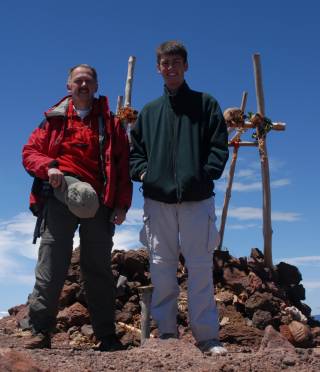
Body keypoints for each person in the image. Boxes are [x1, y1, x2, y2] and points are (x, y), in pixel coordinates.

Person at [22, 64, 132, 351]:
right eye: (77, 81)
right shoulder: (53, 121)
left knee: (97, 269)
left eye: (88, 81)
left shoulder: (111, 123)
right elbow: (30, 152)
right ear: (68, 86)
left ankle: (106, 335)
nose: (83, 85)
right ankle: (40, 331)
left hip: (100, 202)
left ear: (96, 87)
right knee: (51, 265)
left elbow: (122, 166)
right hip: (59, 199)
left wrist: (121, 205)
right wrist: (48, 167)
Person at [130, 41, 229, 354]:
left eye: (175, 62)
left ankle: (207, 336)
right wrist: (147, 174)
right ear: (158, 68)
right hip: (158, 201)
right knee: (161, 266)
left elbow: (218, 146)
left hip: (197, 200)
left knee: (200, 266)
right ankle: (168, 335)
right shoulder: (149, 112)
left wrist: (203, 175)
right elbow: (136, 154)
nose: (170, 67)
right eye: (164, 63)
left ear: (186, 66)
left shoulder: (206, 104)